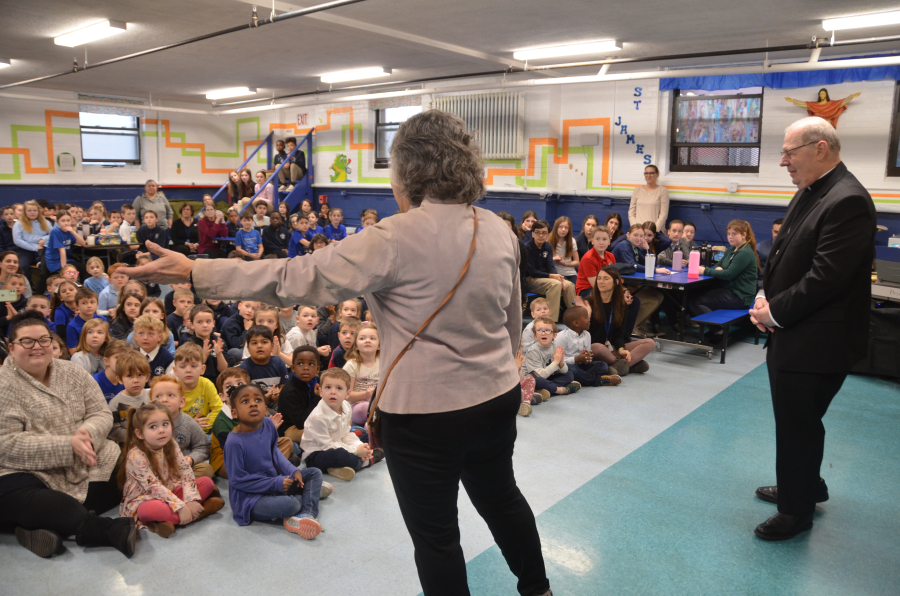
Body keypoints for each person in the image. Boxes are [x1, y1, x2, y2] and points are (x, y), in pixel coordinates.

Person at [127, 109, 552, 596]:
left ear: (406, 172)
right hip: (495, 399)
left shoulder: (392, 237)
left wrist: (197, 273)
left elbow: (292, 278)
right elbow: (511, 320)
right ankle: (538, 590)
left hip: (425, 415)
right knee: (503, 500)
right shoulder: (498, 229)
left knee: (437, 537)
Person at [749, 116, 876, 541]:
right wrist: (764, 295)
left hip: (817, 341)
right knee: (799, 420)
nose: (783, 160)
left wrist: (774, 313)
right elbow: (783, 253)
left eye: (790, 152)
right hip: (797, 331)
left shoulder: (847, 200)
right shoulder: (812, 190)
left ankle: (795, 512)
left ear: (820, 148)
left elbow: (826, 278)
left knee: (798, 424)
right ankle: (806, 486)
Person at [0, 310, 136, 559]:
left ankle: (40, 526)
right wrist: (67, 445)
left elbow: (101, 413)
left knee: (127, 471)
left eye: (43, 340)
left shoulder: (72, 372)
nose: (37, 347)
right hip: (26, 471)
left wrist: (87, 433)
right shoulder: (3, 385)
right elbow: (6, 444)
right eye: (27, 341)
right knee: (12, 495)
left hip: (87, 457)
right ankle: (101, 529)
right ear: (11, 347)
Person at [224, 382, 324, 539]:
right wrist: (276, 483)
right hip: (251, 499)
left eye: (258, 400)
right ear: (234, 413)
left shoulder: (268, 425)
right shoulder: (234, 442)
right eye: (245, 401)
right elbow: (237, 480)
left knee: (314, 474)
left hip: (273, 484)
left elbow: (274, 453)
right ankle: (307, 496)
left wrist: (292, 470)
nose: (252, 404)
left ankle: (306, 514)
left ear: (265, 408)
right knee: (292, 504)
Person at [118, 401, 224, 538]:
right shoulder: (136, 455)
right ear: (140, 434)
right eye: (153, 427)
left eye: (165, 424)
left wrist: (190, 500)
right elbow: (153, 487)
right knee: (147, 510)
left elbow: (185, 471)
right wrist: (180, 506)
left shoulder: (171, 443)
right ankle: (200, 512)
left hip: (170, 489)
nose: (161, 430)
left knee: (207, 482)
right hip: (145, 497)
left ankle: (172, 520)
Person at [299, 367, 383, 480]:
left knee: (367, 437)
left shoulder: (346, 406)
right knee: (339, 455)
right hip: (316, 455)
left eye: (339, 388)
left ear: (347, 394)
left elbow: (345, 434)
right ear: (321, 391)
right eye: (328, 387)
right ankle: (367, 461)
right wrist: (356, 451)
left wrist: (359, 446)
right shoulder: (318, 417)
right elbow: (327, 446)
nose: (333, 392)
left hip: (338, 443)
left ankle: (340, 466)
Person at [587, 267, 655, 377]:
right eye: (599, 278)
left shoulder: (621, 306)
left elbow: (619, 334)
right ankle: (628, 364)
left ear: (616, 282)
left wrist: (621, 349)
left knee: (650, 343)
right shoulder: (589, 303)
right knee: (598, 347)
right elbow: (582, 335)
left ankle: (616, 366)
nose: (601, 282)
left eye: (606, 278)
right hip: (594, 349)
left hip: (611, 348)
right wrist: (587, 315)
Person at [690, 220, 760, 323]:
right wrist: (718, 268)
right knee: (693, 294)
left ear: (744, 235)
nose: (730, 237)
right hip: (730, 290)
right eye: (728, 234)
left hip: (740, 296)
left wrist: (705, 271)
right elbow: (719, 264)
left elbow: (729, 275)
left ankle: (718, 331)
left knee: (696, 302)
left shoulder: (744, 253)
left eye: (734, 234)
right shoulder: (731, 250)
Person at [148, 375, 213, 479]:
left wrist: (191, 458)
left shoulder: (188, 422)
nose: (164, 400)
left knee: (206, 468)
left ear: (181, 402)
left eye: (170, 395)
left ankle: (182, 486)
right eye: (158, 396)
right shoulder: (147, 425)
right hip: (157, 469)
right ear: (151, 403)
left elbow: (203, 446)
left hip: (183, 468)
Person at [524, 220, 576, 323]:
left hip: (545, 278)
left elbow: (550, 266)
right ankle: (551, 321)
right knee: (555, 285)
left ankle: (573, 318)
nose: (541, 235)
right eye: (538, 232)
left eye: (544, 233)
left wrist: (558, 276)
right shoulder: (527, 248)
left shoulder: (547, 246)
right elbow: (532, 271)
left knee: (569, 285)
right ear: (532, 233)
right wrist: (552, 276)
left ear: (548, 234)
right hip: (530, 279)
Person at [522, 317, 581, 397]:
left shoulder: (555, 347)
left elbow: (564, 371)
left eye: (547, 330)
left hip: (548, 377)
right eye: (539, 330)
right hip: (533, 380)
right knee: (539, 381)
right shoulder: (532, 351)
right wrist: (555, 362)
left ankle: (545, 390)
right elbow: (540, 375)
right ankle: (561, 390)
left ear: (554, 335)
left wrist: (561, 363)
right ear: (535, 336)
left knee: (569, 375)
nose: (543, 333)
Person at [342, 322, 381, 426]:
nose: (367, 340)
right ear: (356, 346)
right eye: (362, 338)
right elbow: (346, 395)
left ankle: (367, 430)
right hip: (357, 406)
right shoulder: (351, 365)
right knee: (365, 408)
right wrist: (366, 394)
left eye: (372, 338)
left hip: (378, 405)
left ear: (379, 346)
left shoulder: (383, 363)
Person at [12, 200, 52, 273]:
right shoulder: (18, 224)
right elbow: (17, 240)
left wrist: (44, 239)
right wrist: (34, 247)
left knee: (46, 264)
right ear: (25, 212)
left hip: (42, 249)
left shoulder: (46, 222)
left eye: (34, 210)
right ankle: (27, 283)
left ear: (38, 211)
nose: (32, 212)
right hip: (25, 250)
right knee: (22, 266)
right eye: (29, 210)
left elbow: (52, 234)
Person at [628, 165, 669, 229]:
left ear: (657, 174)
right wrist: (636, 228)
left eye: (651, 173)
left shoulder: (663, 191)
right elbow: (631, 212)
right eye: (646, 173)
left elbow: (663, 215)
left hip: (655, 231)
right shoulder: (637, 190)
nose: (648, 175)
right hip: (638, 230)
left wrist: (653, 230)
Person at [548, 216, 579, 285]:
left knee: (577, 287)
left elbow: (577, 262)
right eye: (561, 227)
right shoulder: (549, 240)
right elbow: (544, 260)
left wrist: (565, 263)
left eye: (566, 228)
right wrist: (553, 259)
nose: (563, 230)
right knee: (568, 286)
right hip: (555, 272)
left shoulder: (572, 241)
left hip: (570, 272)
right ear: (556, 228)